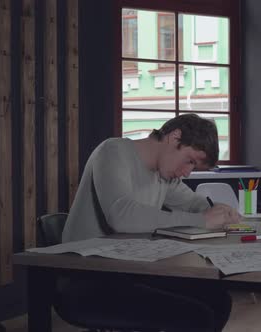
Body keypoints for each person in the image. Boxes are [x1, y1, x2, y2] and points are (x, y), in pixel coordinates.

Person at [62, 114, 240, 331]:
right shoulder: (112, 152)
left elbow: (193, 202)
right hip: (87, 278)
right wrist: (202, 220)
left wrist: (219, 210)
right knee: (196, 317)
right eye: (190, 161)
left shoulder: (164, 174)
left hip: (129, 272)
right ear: (174, 138)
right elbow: (121, 216)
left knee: (218, 300)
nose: (186, 173)